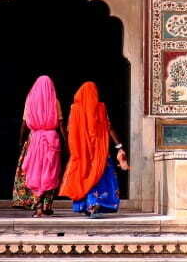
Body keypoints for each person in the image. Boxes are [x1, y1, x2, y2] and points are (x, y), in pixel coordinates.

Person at [59, 81, 129, 217]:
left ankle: (87, 205)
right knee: (99, 177)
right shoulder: (101, 108)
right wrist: (119, 146)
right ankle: (94, 205)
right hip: (99, 150)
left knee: (85, 175)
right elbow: (109, 127)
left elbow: (71, 131)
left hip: (83, 150)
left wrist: (73, 150)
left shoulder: (75, 109)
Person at [12, 75, 64, 217]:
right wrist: (66, 141)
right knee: (48, 174)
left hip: (34, 140)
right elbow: (61, 124)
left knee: (34, 173)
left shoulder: (30, 101)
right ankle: (46, 206)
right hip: (51, 141)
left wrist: (20, 140)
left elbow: (24, 123)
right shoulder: (55, 102)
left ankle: (38, 207)